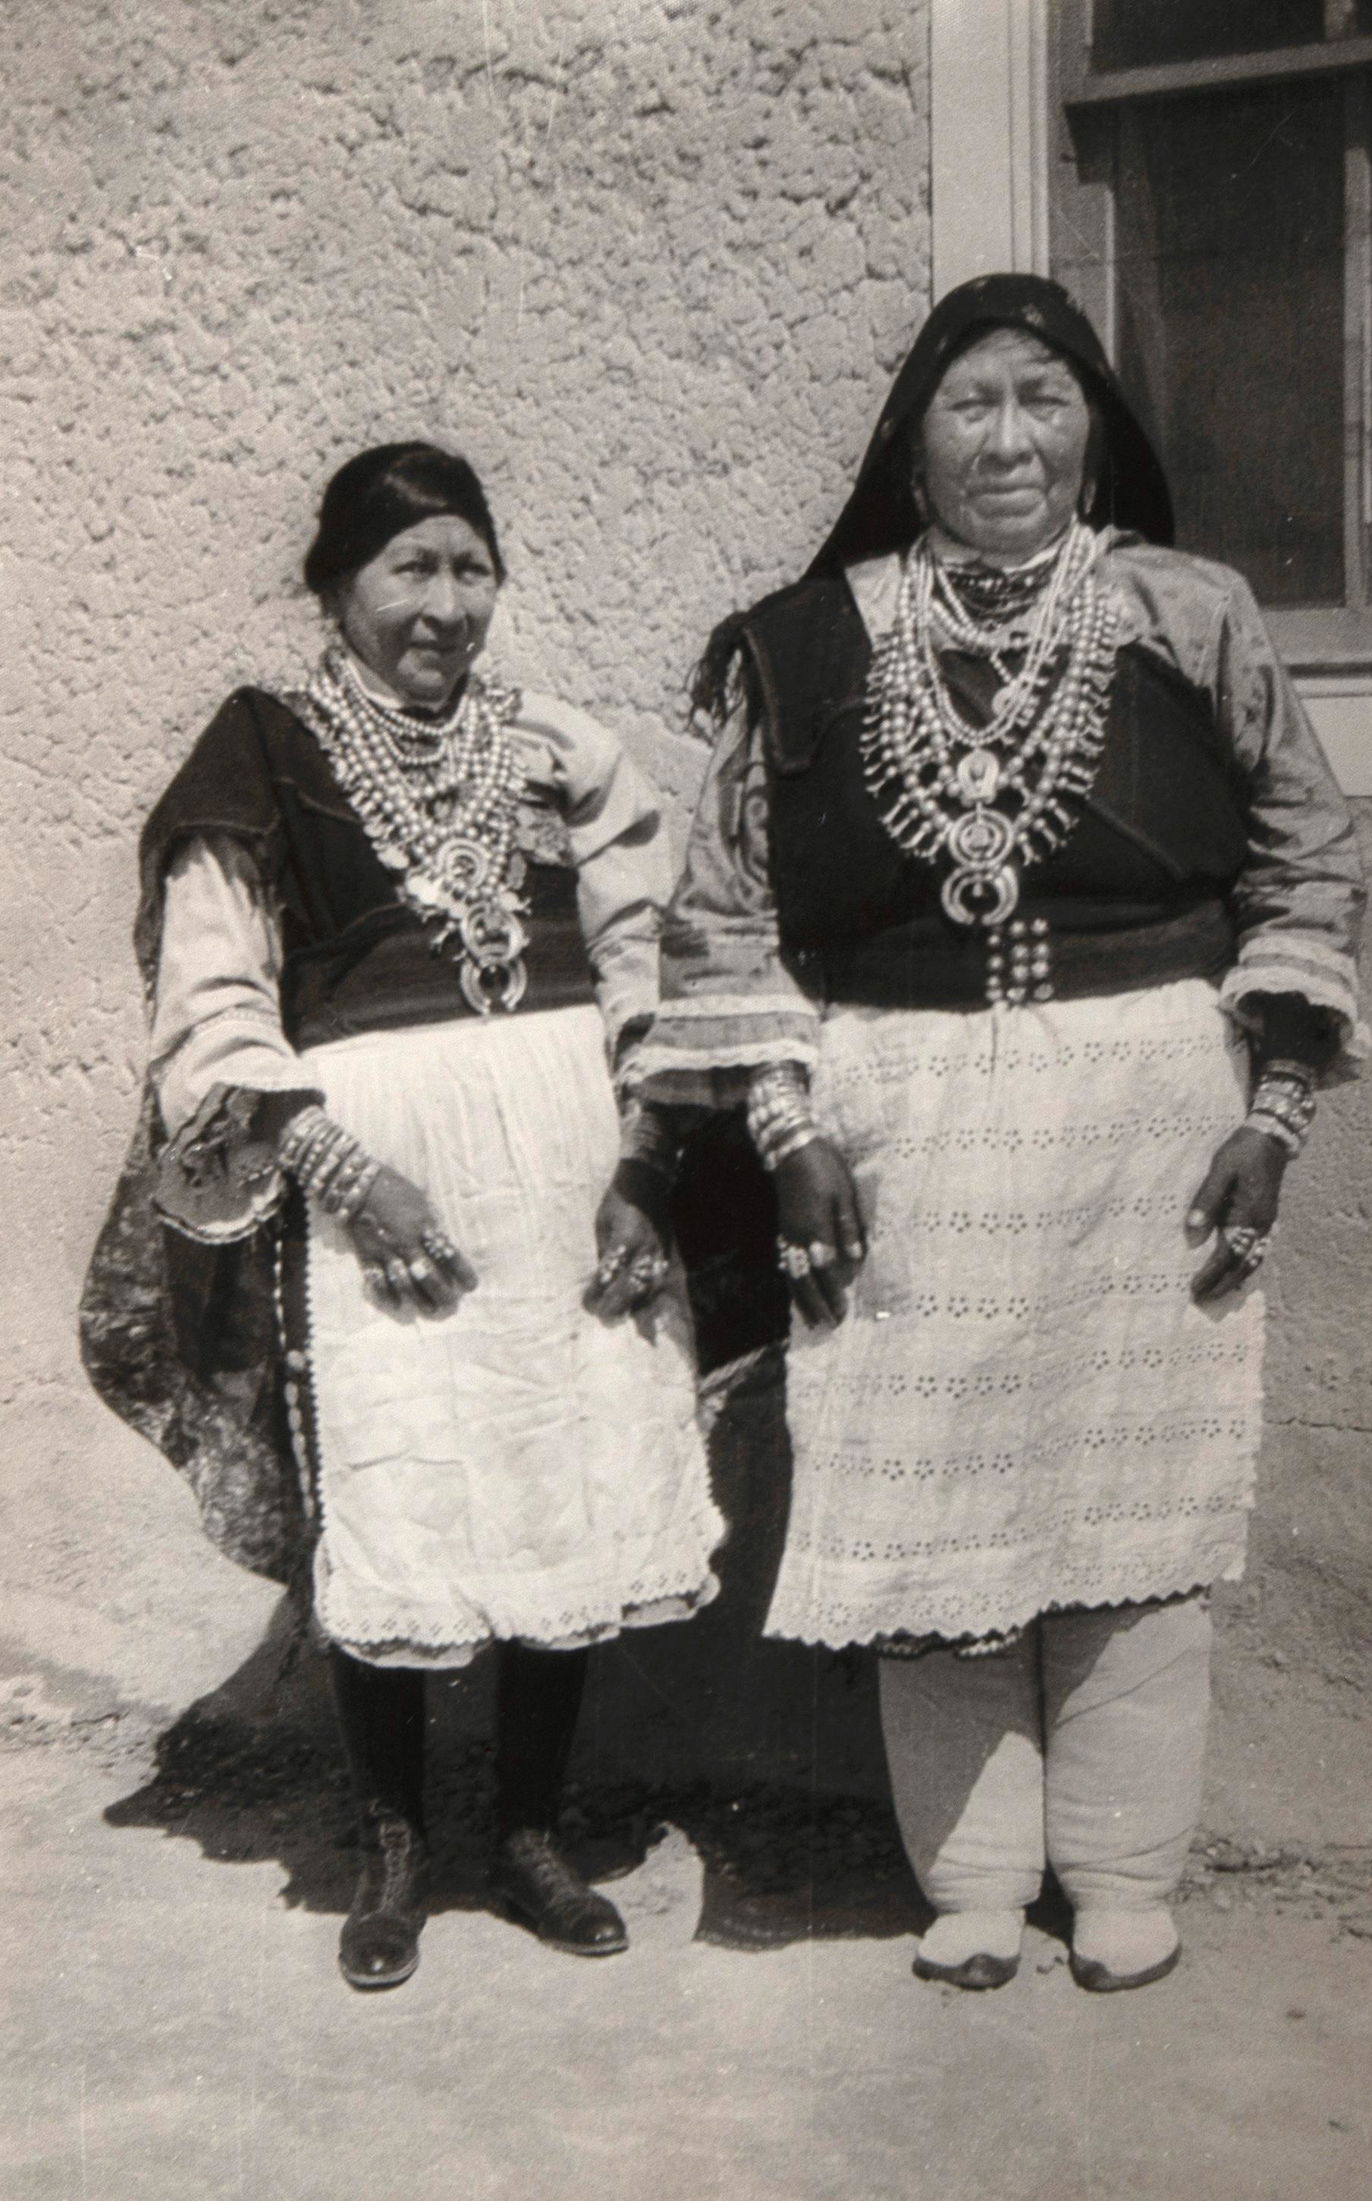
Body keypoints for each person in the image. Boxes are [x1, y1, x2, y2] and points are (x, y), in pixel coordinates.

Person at [621, 276, 1366, 1995]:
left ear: (1094, 422)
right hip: (904, 1128)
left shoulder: (1195, 615)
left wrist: (1274, 1112)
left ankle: (1118, 1871)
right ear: (912, 441)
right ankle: (969, 1879)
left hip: (1147, 1124)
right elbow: (723, 916)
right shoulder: (803, 646)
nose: (1011, 438)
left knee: (1133, 1506)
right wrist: (790, 1125)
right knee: (924, 1509)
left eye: (1044, 397)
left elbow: (1308, 858)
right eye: (973, 404)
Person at [81, 443, 721, 1991]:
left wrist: (644, 1165)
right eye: (408, 570)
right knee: (398, 1482)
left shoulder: (563, 749)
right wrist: (351, 1181)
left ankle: (527, 1830)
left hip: (565, 1165)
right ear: (335, 587)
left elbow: (651, 959)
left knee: (555, 1471)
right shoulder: (265, 750)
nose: (444, 605)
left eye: (470, 569)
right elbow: (215, 998)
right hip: (376, 1175)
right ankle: (392, 1844)